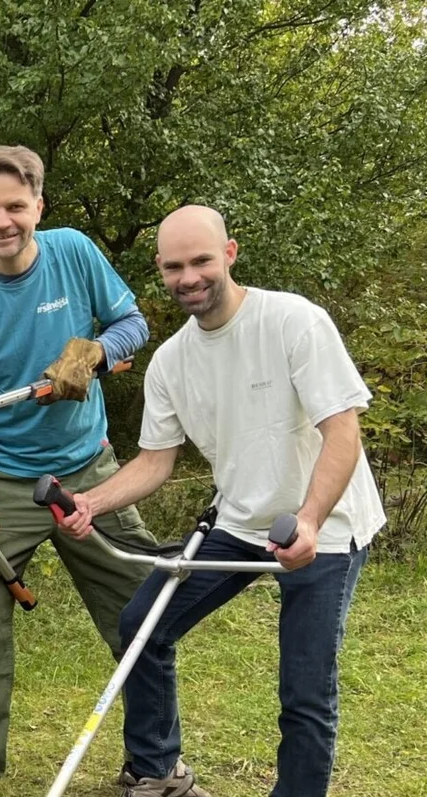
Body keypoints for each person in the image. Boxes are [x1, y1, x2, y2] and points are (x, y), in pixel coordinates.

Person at [56, 205, 383, 797]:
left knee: (305, 690)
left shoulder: (293, 321)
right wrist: (91, 502)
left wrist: (308, 520)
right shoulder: (173, 361)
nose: (190, 277)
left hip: (323, 527)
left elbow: (343, 429)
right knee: (142, 626)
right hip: (239, 519)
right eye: (175, 266)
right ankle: (157, 770)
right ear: (160, 269)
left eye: (202, 260)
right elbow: (156, 460)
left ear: (229, 254)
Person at [0, 145, 159, 797]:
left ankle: (153, 762)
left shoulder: (75, 252)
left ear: (38, 206)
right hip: (3, 476)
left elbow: (132, 322)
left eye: (14, 206)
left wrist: (93, 353)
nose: (2, 220)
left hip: (90, 469)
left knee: (142, 611)